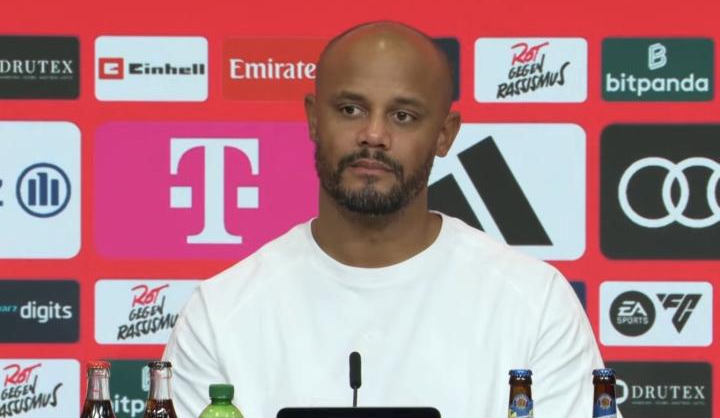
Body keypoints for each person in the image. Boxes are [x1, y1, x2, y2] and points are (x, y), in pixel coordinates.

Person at [163, 21, 608, 418]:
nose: (373, 135)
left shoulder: (534, 304)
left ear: (445, 135)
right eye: (350, 109)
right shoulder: (220, 314)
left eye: (403, 116)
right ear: (314, 119)